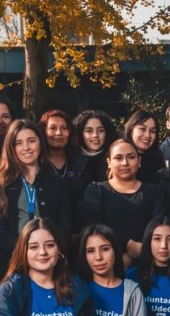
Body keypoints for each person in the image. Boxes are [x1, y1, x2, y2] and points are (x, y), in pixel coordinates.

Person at [0, 119, 71, 287]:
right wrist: (20, 251)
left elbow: (65, 223)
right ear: (11, 147)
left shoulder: (56, 181)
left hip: (49, 263)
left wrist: (52, 250)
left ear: (40, 143)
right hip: (9, 263)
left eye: (31, 141)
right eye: (18, 143)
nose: (26, 148)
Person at [78, 139, 165, 268]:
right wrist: (128, 245)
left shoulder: (154, 192)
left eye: (131, 157)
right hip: (106, 266)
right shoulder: (96, 190)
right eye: (118, 158)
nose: (125, 163)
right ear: (109, 162)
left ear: (139, 161)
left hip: (148, 264)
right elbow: (93, 226)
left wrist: (138, 250)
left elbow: (160, 226)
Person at [70, 110, 113, 203]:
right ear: (80, 133)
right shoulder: (70, 160)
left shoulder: (115, 159)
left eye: (100, 131)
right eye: (89, 131)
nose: (95, 135)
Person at [122, 109, 164, 185]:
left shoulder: (158, 158)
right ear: (131, 130)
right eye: (142, 129)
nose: (148, 135)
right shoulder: (118, 155)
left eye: (152, 131)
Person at [40, 109, 77, 184]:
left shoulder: (80, 164)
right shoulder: (37, 164)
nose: (59, 133)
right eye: (53, 128)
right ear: (43, 131)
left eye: (64, 128)